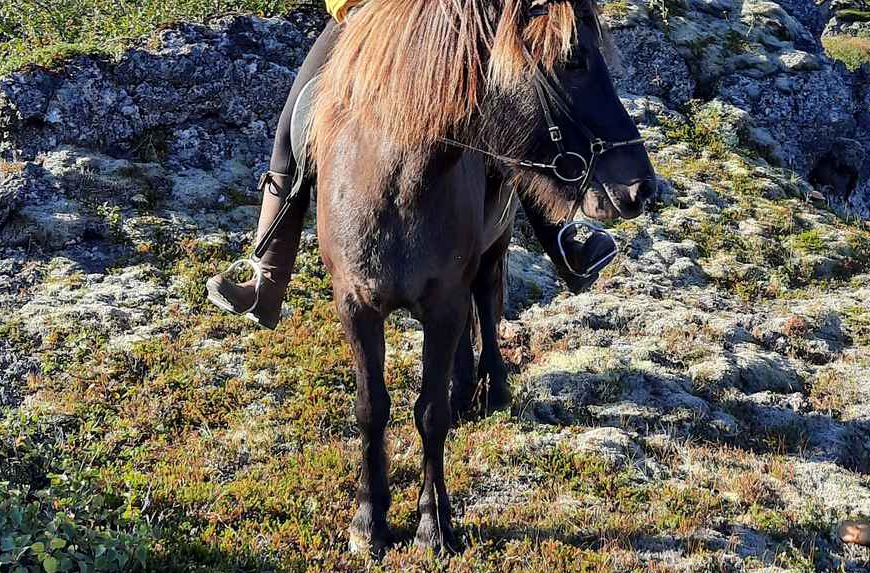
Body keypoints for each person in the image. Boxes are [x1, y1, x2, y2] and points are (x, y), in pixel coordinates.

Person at [206, 0, 617, 328]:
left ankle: (565, 242)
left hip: (462, 17)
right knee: (295, 120)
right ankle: (267, 278)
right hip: (370, 17)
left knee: (523, 99)